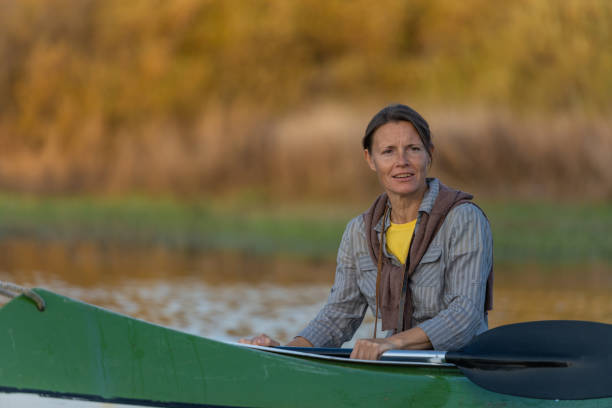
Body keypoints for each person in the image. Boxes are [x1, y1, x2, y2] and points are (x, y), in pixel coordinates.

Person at [239, 103, 493, 360]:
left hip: (459, 369)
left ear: (429, 154)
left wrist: (391, 344)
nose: (401, 162)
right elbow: (337, 316)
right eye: (388, 152)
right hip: (397, 371)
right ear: (370, 159)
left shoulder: (463, 218)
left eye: (413, 149)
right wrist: (284, 353)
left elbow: (465, 315)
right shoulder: (359, 232)